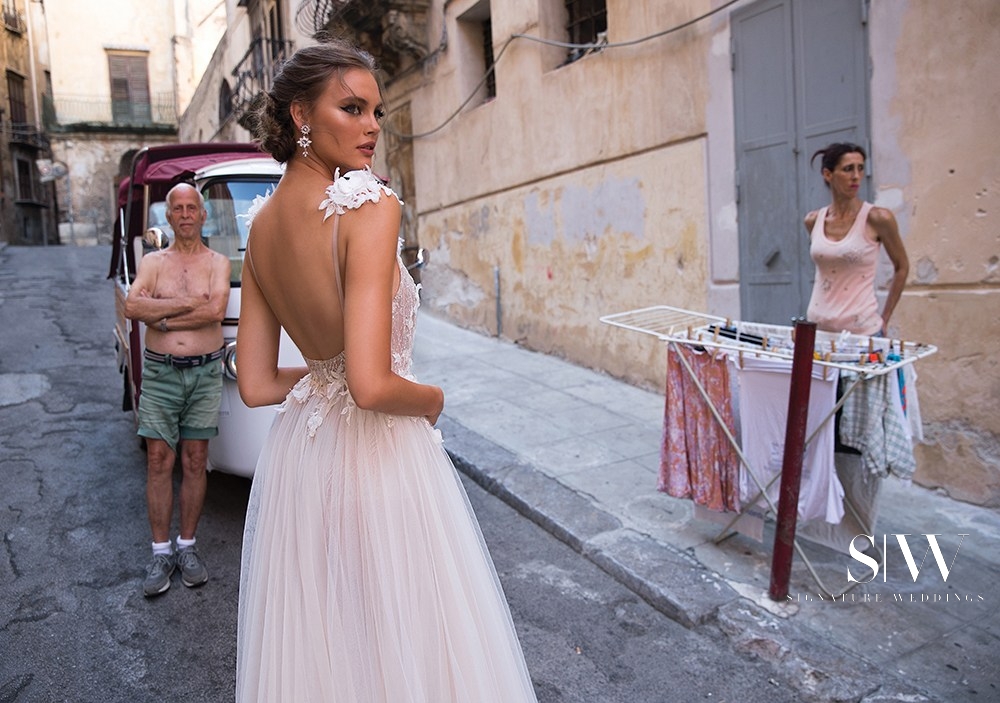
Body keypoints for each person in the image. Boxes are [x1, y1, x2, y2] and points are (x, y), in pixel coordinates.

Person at [234, 40, 537, 702]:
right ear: (300, 117)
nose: (373, 125)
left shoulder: (259, 230)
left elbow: (255, 383)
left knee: (333, 656)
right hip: (379, 460)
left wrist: (323, 379)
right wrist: (431, 398)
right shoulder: (369, 206)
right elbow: (372, 385)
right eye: (352, 108)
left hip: (303, 466)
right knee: (409, 650)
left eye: (375, 109)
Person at [124, 183, 231, 597]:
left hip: (204, 373)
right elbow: (133, 307)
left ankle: (187, 547)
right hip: (161, 372)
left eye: (193, 208)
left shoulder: (218, 263)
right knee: (157, 460)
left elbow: (216, 311)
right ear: (167, 217)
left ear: (204, 216)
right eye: (178, 209)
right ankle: (160, 552)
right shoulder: (153, 262)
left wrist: (162, 315)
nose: (186, 215)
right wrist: (189, 306)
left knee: (195, 459)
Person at [805, 142, 909, 336]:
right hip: (818, 331)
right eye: (847, 169)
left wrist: (885, 318)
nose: (856, 176)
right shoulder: (813, 220)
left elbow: (902, 266)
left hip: (862, 333)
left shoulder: (878, 218)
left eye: (860, 168)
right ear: (828, 174)